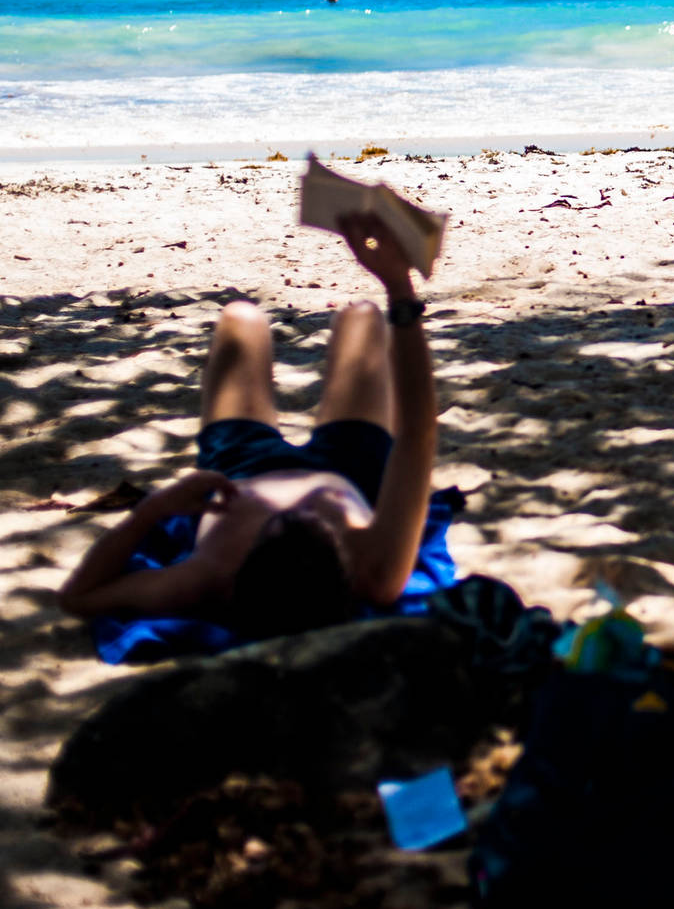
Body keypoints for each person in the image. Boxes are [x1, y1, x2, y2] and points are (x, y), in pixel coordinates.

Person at [57, 214, 439, 640]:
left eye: (278, 523)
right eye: (312, 519)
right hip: (350, 467)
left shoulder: (207, 578)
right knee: (363, 315)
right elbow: (418, 437)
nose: (298, 507)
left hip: (241, 468)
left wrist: (154, 510)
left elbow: (79, 597)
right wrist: (400, 290)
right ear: (342, 564)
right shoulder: (375, 570)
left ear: (247, 564)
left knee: (241, 318)